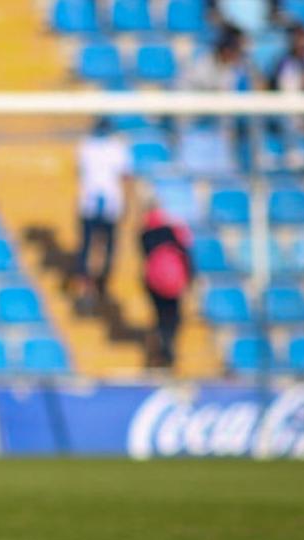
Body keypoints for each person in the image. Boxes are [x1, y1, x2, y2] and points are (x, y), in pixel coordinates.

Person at [73, 118, 132, 312]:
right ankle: (92, 288)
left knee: (95, 249)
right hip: (101, 204)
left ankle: (95, 287)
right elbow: (125, 178)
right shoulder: (115, 147)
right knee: (97, 248)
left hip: (98, 204)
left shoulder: (87, 146)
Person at [140, 203, 193, 368]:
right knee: (173, 317)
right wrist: (190, 278)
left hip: (153, 280)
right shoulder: (174, 233)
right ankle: (167, 347)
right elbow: (186, 254)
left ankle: (162, 346)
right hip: (173, 281)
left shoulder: (146, 235)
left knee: (161, 316)